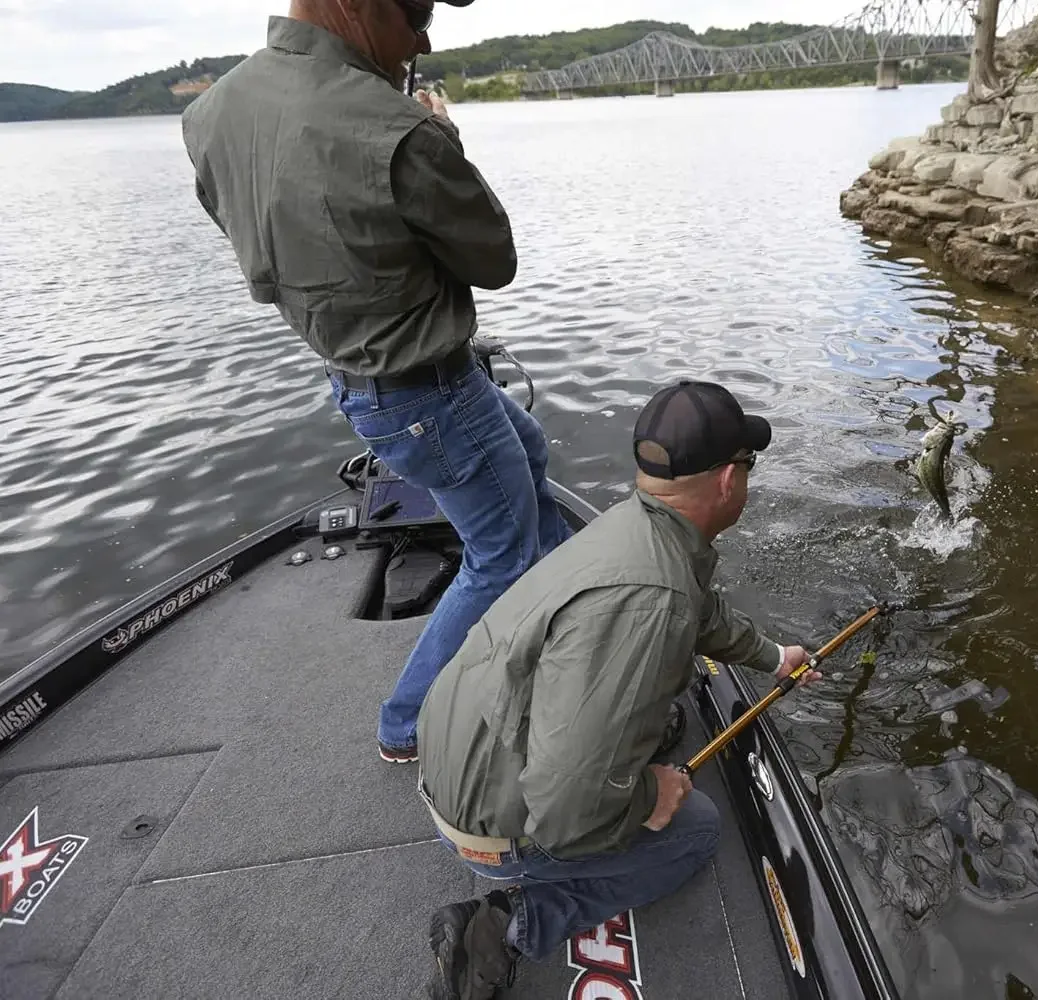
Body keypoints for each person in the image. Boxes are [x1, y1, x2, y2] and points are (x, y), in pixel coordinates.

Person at [180, 0, 571, 765]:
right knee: (500, 554)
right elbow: (494, 261)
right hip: (431, 391)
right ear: (358, 5)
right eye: (417, 13)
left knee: (525, 448)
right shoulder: (401, 131)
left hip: (359, 382)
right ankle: (407, 722)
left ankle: (564, 612)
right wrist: (443, 139)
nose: (423, 38)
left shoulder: (212, 113)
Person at [413, 380, 822, 998]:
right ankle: (507, 926)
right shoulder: (651, 603)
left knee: (657, 719)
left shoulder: (638, 530)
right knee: (696, 830)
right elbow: (566, 808)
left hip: (464, 744)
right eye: (747, 464)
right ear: (726, 482)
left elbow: (701, 614)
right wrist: (646, 797)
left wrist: (774, 656)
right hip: (485, 818)